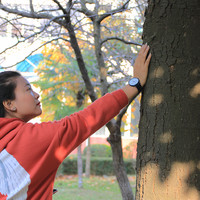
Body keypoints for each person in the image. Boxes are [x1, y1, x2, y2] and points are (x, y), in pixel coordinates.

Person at [0, 44, 151, 199]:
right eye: (28, 89)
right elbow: (85, 120)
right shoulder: (31, 138)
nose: (37, 94)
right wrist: (136, 83)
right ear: (9, 104)